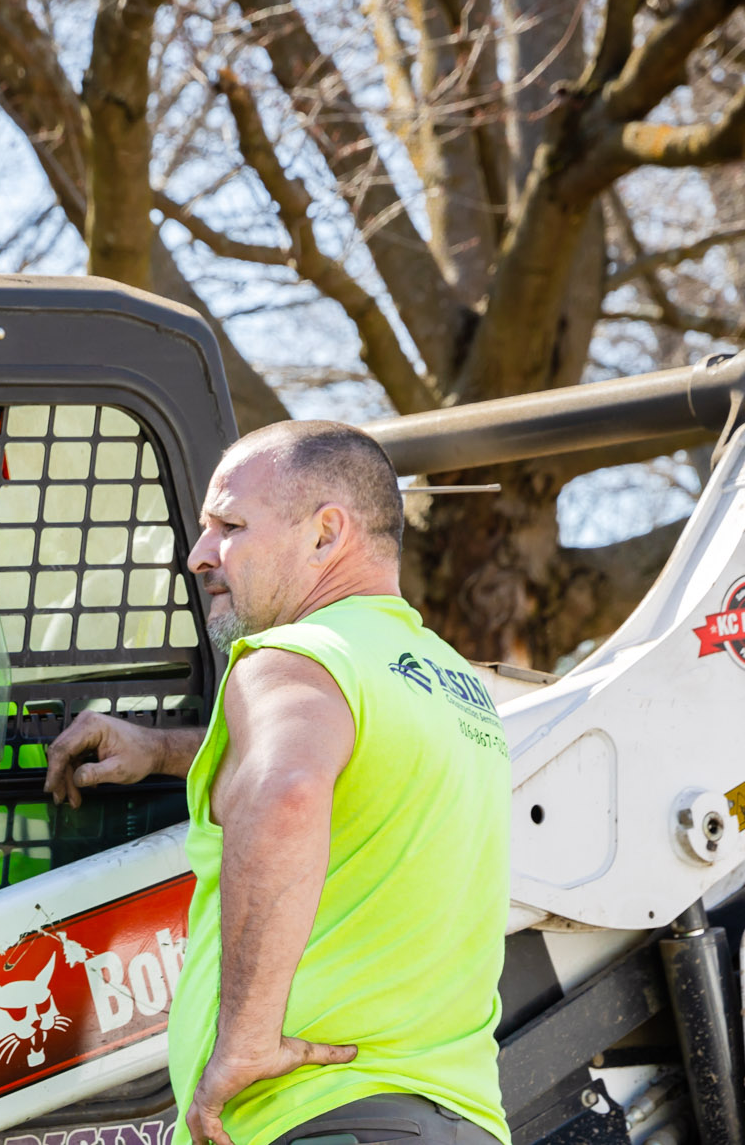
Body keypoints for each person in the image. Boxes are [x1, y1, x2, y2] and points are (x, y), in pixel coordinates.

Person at [43, 420, 512, 1145]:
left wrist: (247, 1043)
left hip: (323, 1116)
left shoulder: (296, 652)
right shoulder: (449, 681)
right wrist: (163, 749)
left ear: (326, 533)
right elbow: (340, 761)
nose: (199, 555)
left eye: (229, 526)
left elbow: (287, 790)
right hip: (458, 1120)